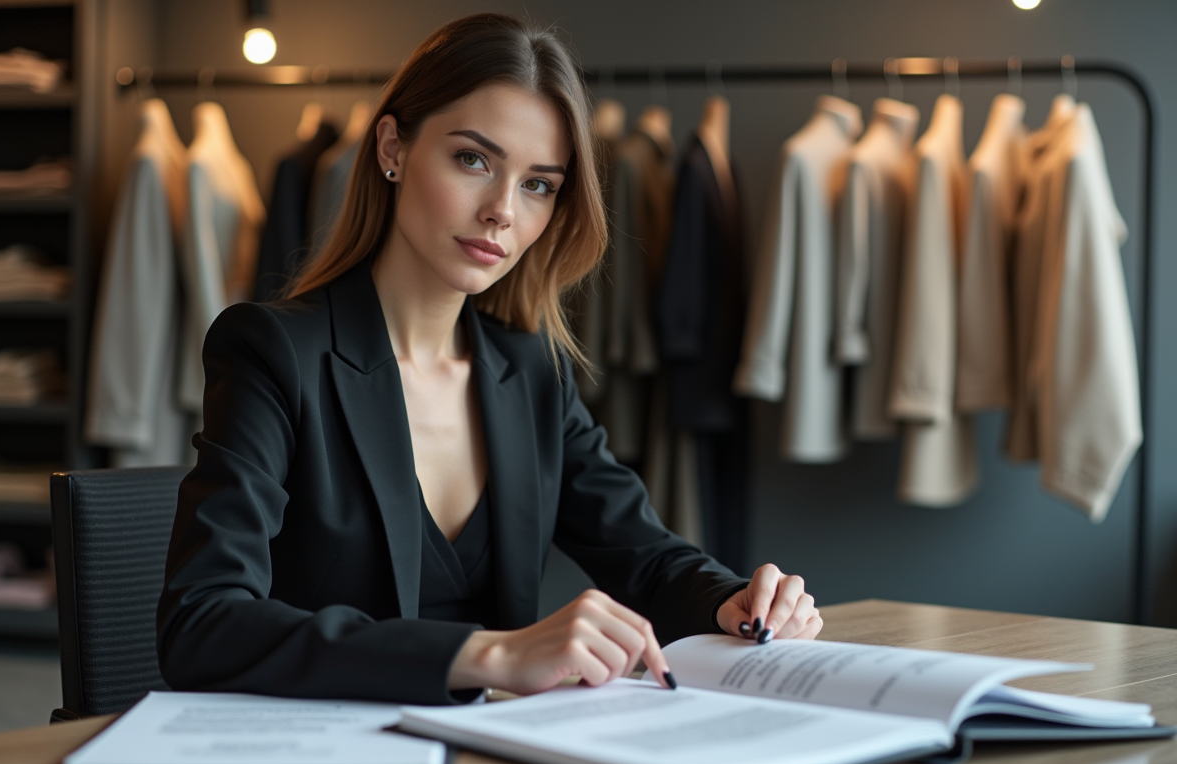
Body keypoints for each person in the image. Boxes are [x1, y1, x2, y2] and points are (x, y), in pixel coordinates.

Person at [157, 13, 822, 706]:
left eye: (538, 184)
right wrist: (489, 653)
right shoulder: (273, 351)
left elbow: (647, 557)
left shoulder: (531, 372)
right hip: (330, 753)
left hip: (493, 754)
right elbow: (201, 622)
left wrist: (738, 602)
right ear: (392, 147)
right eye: (473, 160)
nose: (503, 210)